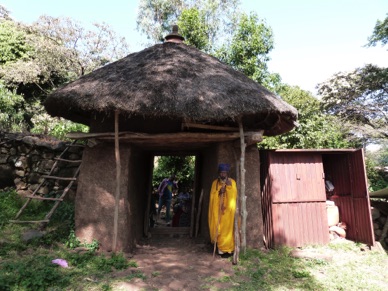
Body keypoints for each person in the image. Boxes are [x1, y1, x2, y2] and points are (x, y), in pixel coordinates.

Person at [208, 163, 238, 256]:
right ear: (219, 173)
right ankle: (221, 250)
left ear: (227, 173)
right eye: (221, 173)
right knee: (219, 229)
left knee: (229, 230)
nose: (223, 174)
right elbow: (212, 197)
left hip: (229, 212)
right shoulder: (215, 183)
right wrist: (218, 192)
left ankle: (229, 250)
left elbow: (234, 195)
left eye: (224, 173)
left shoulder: (232, 182)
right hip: (218, 211)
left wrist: (229, 188)